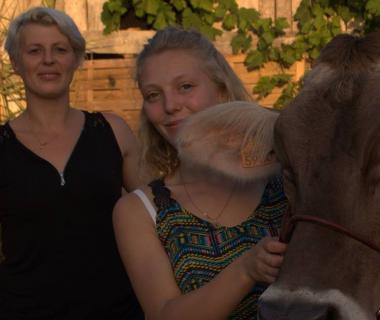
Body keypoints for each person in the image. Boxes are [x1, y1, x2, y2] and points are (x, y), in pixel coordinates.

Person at [112, 27, 288, 320]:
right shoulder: (141, 211)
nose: (170, 106)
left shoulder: (285, 180)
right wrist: (245, 270)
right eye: (154, 95)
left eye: (185, 87)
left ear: (220, 89)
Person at [0, 7, 143, 319]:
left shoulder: (112, 131)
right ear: (15, 63)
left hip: (117, 309)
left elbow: (156, 216)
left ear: (76, 59)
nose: (48, 60)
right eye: (34, 50)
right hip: (23, 311)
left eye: (60, 49)